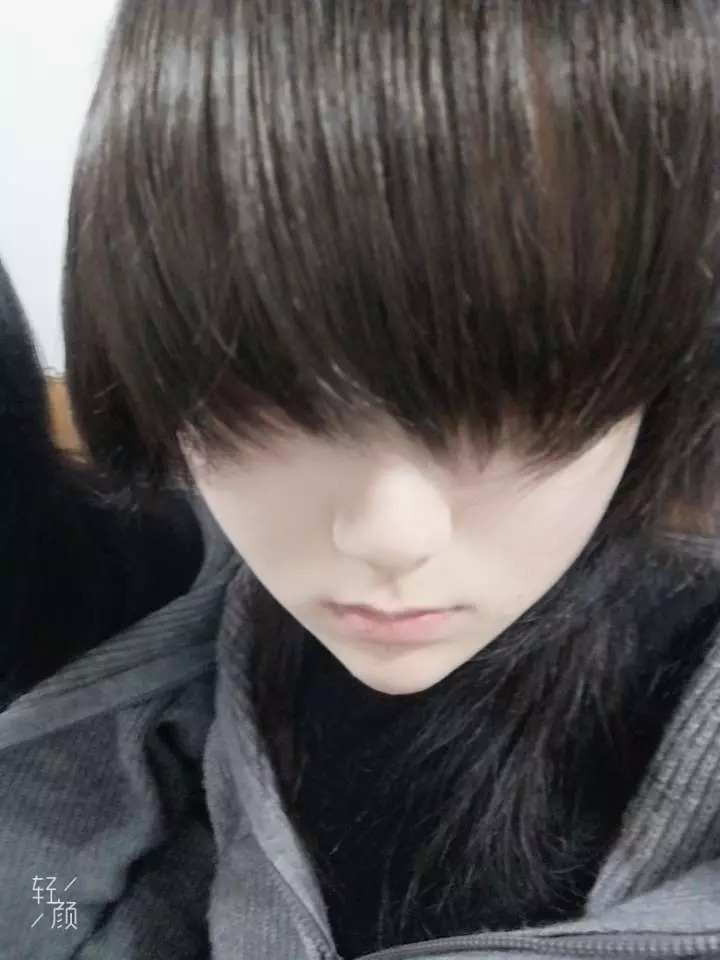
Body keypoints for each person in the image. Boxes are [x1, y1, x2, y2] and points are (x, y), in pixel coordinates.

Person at [4, 0, 720, 958]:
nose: (389, 533)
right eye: (255, 398)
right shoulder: (216, 665)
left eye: (526, 404)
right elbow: (58, 888)